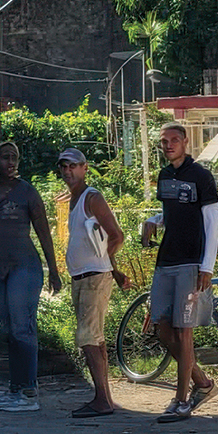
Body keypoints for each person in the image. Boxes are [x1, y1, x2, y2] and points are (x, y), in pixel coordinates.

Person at [0, 141, 63, 412]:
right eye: (5, 157)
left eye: (14, 158)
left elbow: (44, 232)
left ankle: (28, 391)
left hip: (23, 266)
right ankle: (15, 387)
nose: (10, 162)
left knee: (23, 327)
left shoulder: (27, 192)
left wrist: (54, 270)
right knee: (9, 329)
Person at [141, 123, 218, 423]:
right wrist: (153, 220)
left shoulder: (200, 176)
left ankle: (182, 399)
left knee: (184, 331)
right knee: (162, 328)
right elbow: (174, 213)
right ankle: (203, 383)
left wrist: (207, 266)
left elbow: (212, 222)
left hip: (191, 262)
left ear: (186, 142)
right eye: (164, 141)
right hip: (166, 261)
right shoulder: (164, 176)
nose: (169, 145)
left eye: (174, 140)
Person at [57, 148, 131, 418]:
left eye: (73, 166)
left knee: (88, 338)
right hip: (85, 276)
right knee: (95, 339)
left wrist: (106, 264)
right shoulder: (75, 198)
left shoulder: (92, 197)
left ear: (85, 168)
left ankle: (101, 398)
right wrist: (115, 270)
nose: (68, 171)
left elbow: (116, 236)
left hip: (93, 277)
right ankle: (105, 397)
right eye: (64, 167)